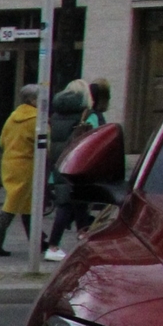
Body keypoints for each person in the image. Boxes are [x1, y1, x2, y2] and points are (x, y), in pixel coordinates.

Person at [45, 79, 99, 260]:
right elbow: (95, 140)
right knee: (68, 206)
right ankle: (53, 246)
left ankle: (83, 238)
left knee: (73, 204)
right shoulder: (87, 115)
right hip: (79, 166)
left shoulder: (55, 115)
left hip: (59, 165)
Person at [0, 83, 41, 255]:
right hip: (27, 165)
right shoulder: (37, 119)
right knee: (13, 205)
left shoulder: (13, 117)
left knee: (25, 204)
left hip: (9, 163)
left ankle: (38, 241)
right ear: (33, 100)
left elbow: (2, 141)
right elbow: (44, 143)